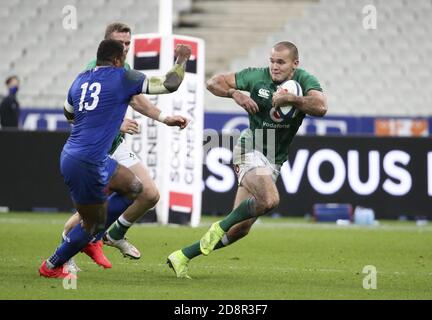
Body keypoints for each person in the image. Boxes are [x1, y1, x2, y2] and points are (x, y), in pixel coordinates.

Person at [167, 41, 327, 279]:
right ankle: (217, 227)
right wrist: (235, 94)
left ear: (295, 64)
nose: (274, 66)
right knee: (270, 199)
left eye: (280, 62)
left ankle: (182, 256)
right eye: (272, 61)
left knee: (240, 229)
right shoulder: (256, 77)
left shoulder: (304, 80)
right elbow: (213, 82)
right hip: (250, 148)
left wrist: (292, 100)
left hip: (274, 158)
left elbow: (321, 106)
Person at [39, 39, 190, 279]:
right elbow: (170, 84)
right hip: (87, 162)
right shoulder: (123, 77)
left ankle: (96, 236)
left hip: (77, 154)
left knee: (134, 187)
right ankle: (52, 265)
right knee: (88, 223)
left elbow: (69, 113)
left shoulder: (80, 80)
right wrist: (181, 58)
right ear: (119, 60)